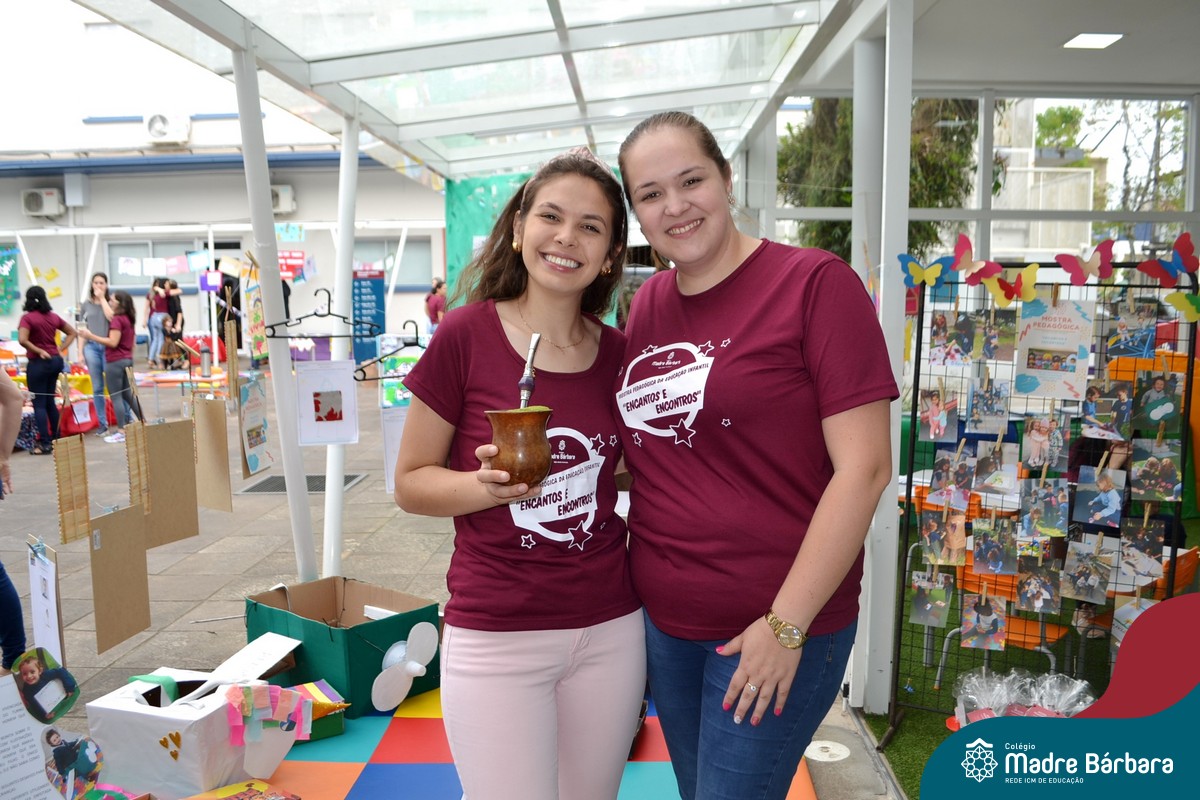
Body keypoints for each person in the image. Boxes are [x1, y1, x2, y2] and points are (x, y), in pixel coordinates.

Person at [614, 111, 896, 799]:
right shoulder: (648, 305)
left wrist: (785, 625)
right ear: (636, 214)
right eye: (651, 194)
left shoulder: (814, 284)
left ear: (726, 178)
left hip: (774, 624)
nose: (675, 206)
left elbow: (865, 469)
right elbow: (663, 451)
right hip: (667, 625)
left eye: (691, 181)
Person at [393, 147, 643, 800]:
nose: (566, 238)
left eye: (590, 226)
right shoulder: (464, 336)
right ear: (518, 228)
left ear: (611, 254)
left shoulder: (622, 355)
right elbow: (411, 482)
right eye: (551, 217)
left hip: (611, 628)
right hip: (497, 631)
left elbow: (620, 472)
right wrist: (482, 487)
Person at [18, 286, 77, 455]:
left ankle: (45, 443)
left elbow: (22, 339)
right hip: (55, 361)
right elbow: (72, 332)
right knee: (50, 400)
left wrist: (39, 351)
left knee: (39, 403)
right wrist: (60, 348)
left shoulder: (27, 318)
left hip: (38, 363)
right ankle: (57, 438)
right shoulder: (53, 317)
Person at [81, 291, 139, 444]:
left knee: (116, 396)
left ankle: (121, 430)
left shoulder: (117, 320)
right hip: (127, 359)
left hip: (115, 361)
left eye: (112, 300)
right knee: (127, 394)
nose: (110, 302)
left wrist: (91, 336)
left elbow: (113, 342)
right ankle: (143, 422)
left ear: (119, 303)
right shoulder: (128, 318)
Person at [79, 272, 116, 436]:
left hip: (108, 345)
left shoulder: (111, 302)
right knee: (97, 387)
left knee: (114, 384)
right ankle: (102, 424)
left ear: (106, 285)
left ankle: (125, 419)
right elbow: (81, 329)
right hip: (91, 347)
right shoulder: (86, 305)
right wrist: (80, 352)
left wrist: (102, 299)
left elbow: (112, 318)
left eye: (102, 283)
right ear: (92, 285)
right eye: (96, 283)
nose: (98, 286)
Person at [15, 649, 77, 723]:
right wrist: (44, 714)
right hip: (50, 704)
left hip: (61, 695)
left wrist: (69, 687)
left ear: (40, 671)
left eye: (32, 672)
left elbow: (61, 671)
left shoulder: (45, 675)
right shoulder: (27, 690)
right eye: (25, 674)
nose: (29, 676)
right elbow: (34, 705)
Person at [144, 277, 170, 369]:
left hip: (152, 317)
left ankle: (151, 359)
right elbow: (178, 291)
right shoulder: (164, 294)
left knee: (154, 339)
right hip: (161, 317)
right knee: (161, 339)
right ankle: (159, 360)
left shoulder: (151, 294)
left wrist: (144, 320)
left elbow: (146, 308)